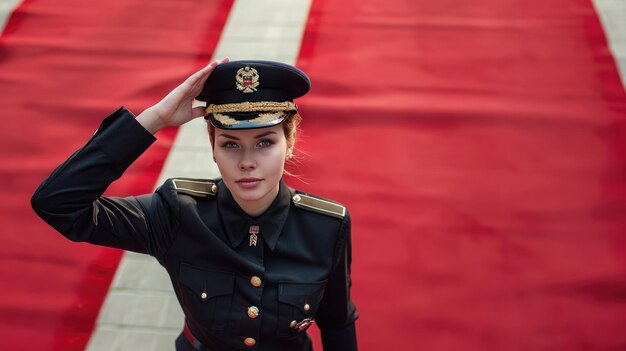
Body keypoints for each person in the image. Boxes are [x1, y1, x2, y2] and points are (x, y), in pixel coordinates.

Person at [31, 58, 358, 351]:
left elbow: (337, 322)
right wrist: (154, 119)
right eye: (230, 144)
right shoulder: (177, 212)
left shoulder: (326, 226)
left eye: (264, 143)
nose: (247, 162)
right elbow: (58, 204)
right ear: (212, 149)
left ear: (289, 144)